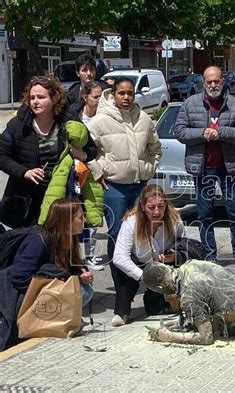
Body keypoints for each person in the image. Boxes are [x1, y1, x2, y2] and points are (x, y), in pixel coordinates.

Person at [174, 66, 235, 268]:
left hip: (229, 167)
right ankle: (210, 255)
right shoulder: (190, 104)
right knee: (205, 213)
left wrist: (220, 133)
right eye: (209, 81)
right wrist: (202, 132)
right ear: (203, 83)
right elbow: (180, 132)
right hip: (203, 169)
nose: (213, 85)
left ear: (223, 81)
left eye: (216, 81)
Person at [86, 77, 162, 283]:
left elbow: (155, 149)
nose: (126, 97)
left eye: (130, 93)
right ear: (113, 94)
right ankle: (121, 281)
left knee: (143, 231)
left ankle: (141, 276)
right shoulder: (100, 121)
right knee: (117, 232)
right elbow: (85, 150)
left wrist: (148, 170)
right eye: (122, 93)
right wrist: (98, 172)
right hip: (114, 187)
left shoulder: (144, 119)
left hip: (139, 186)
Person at [0, 76, 97, 229]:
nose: (35, 101)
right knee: (29, 247)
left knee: (60, 246)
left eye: (41, 97)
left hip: (59, 200)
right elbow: (2, 155)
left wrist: (82, 155)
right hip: (26, 201)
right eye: (32, 97)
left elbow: (91, 149)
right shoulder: (18, 125)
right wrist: (24, 172)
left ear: (54, 98)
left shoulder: (68, 122)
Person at [0, 197, 93, 350]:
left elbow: (66, 268)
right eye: (80, 217)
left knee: (84, 290)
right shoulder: (37, 241)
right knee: (78, 292)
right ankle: (42, 322)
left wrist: (79, 276)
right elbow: (19, 276)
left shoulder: (68, 239)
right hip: (16, 292)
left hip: (42, 286)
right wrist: (53, 285)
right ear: (66, 220)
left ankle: (53, 320)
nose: (84, 220)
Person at [110, 185, 186, 326]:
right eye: (151, 207)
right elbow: (119, 256)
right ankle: (121, 311)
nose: (157, 212)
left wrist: (175, 255)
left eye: (161, 206)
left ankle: (170, 303)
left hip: (162, 263)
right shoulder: (131, 222)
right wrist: (143, 277)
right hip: (138, 263)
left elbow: (184, 244)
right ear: (143, 206)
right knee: (122, 268)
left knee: (154, 311)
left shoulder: (175, 220)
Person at [75, 81, 105, 271]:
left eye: (101, 96)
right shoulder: (75, 118)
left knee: (93, 215)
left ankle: (90, 256)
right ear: (85, 97)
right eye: (96, 97)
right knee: (75, 216)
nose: (99, 100)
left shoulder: (104, 117)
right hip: (76, 172)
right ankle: (73, 256)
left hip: (97, 172)